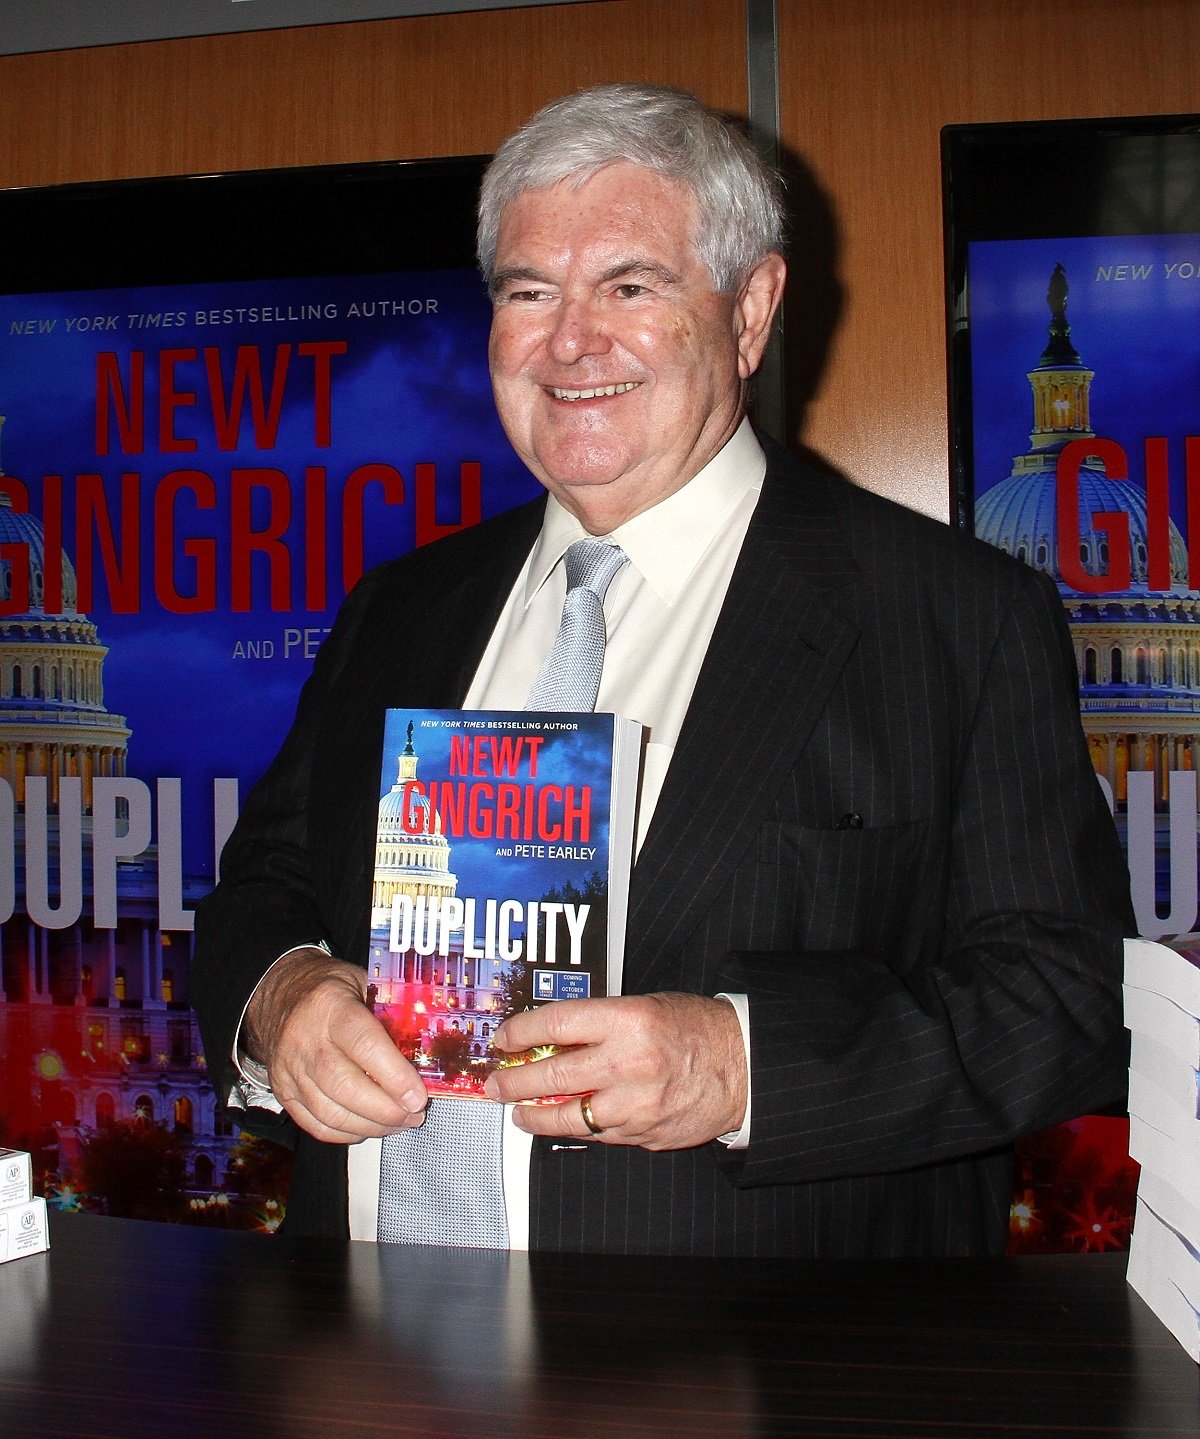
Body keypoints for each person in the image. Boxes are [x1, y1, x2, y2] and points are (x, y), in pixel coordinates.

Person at [193, 83, 1133, 1257]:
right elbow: (260, 887)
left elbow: (1066, 998)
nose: (570, 339)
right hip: (365, 1355)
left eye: (630, 286)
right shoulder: (401, 607)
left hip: (753, 1369)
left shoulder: (954, 618)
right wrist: (281, 994)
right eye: (529, 292)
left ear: (751, 311)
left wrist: (740, 1062)